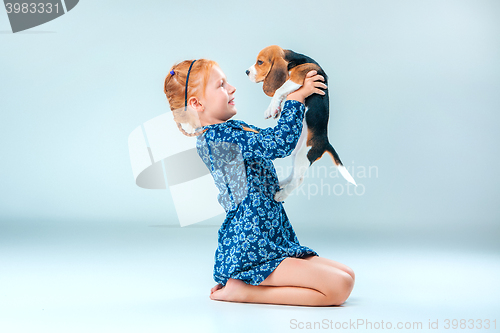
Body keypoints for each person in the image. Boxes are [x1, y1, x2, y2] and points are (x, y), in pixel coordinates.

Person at [164, 59, 355, 306]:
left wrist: (295, 94)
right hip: (253, 243)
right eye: (221, 85)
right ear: (197, 103)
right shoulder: (217, 140)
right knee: (340, 287)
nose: (232, 88)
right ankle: (244, 291)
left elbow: (270, 138)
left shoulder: (233, 129)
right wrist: (296, 99)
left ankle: (245, 284)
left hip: (272, 236)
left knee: (348, 275)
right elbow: (279, 143)